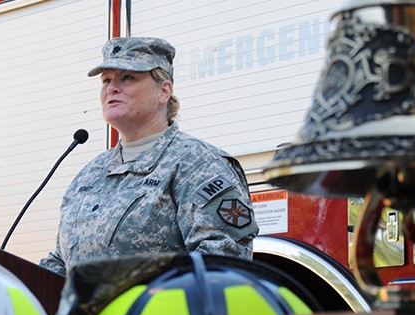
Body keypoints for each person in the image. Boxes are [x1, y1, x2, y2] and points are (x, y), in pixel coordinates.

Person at [40, 37, 259, 277]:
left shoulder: (197, 163)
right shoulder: (89, 175)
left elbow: (221, 262)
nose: (111, 88)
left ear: (164, 91)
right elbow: (62, 263)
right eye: (106, 80)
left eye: (128, 78)